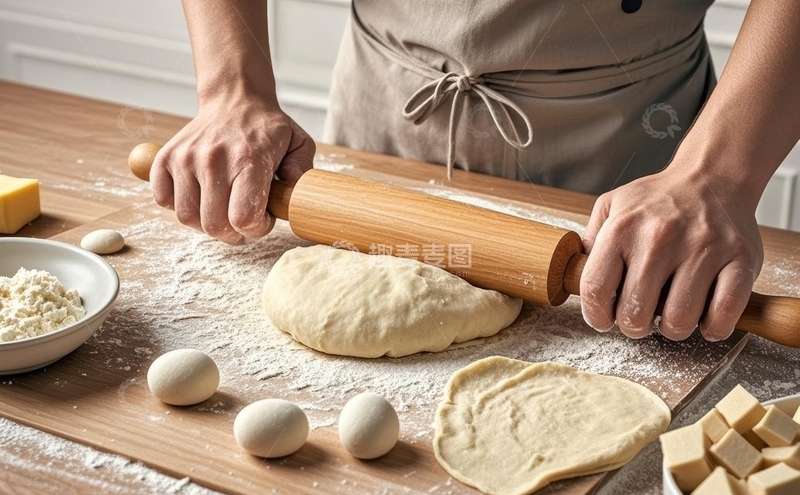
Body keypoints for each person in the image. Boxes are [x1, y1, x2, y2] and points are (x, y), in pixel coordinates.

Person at [150, 1, 800, 344]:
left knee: (627, 303)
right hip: (382, 122)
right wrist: (233, 89)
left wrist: (717, 175)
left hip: (629, 157)